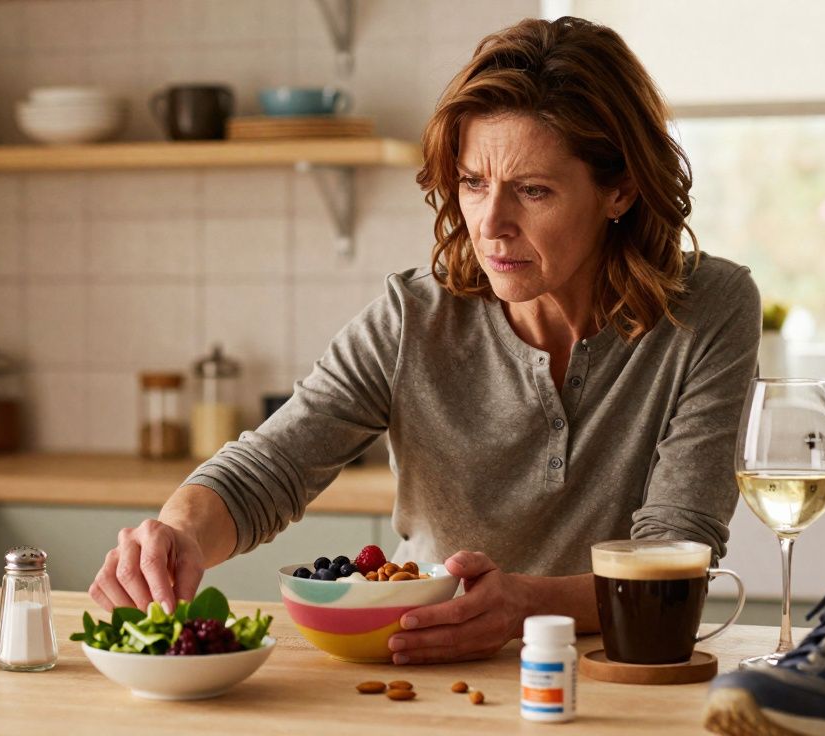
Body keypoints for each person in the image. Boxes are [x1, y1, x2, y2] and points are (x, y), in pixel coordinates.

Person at [90, 16, 761, 665]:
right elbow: (268, 469)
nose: (490, 224)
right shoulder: (412, 316)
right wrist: (176, 534)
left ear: (619, 190)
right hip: (431, 677)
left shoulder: (709, 311)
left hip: (618, 679)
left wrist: (524, 605)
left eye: (532, 190)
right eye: (473, 182)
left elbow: (676, 559)